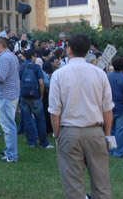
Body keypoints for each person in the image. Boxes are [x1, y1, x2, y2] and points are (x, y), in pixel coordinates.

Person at [48, 33, 113, 199]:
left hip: (70, 131)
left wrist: (57, 134)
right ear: (88, 51)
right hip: (95, 131)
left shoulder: (59, 74)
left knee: (73, 187)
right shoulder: (100, 74)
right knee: (102, 185)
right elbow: (107, 109)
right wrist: (107, 134)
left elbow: (55, 110)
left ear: (69, 50)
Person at [20, 49, 53, 149]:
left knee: (27, 119)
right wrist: (41, 95)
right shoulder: (37, 67)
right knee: (40, 119)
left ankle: (31, 142)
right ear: (33, 57)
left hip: (24, 96)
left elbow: (19, 82)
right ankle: (43, 142)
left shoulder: (21, 67)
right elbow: (41, 83)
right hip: (35, 96)